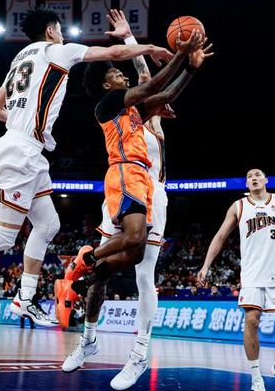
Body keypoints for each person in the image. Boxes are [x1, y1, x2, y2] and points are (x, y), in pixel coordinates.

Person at [0, 7, 173, 326]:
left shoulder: (18, 60)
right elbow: (114, 53)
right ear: (50, 31)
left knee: (48, 225)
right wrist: (150, 47)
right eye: (60, 29)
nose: (62, 34)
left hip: (27, 149)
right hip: (20, 150)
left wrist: (22, 125)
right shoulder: (56, 51)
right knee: (3, 235)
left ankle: (25, 298)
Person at [59, 27, 211, 375]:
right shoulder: (119, 106)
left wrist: (191, 67)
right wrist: (155, 47)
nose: (125, 75)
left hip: (152, 189)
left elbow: (162, 90)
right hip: (123, 177)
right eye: (117, 73)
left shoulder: (146, 117)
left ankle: (139, 351)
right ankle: (88, 337)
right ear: (107, 84)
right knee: (110, 264)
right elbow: (150, 81)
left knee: (142, 268)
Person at [197, 169, 275, 391]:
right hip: (252, 275)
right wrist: (206, 266)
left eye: (257, 175)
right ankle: (256, 377)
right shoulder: (239, 206)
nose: (253, 178)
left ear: (266, 180)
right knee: (252, 321)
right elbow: (220, 236)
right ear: (246, 184)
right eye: (249, 176)